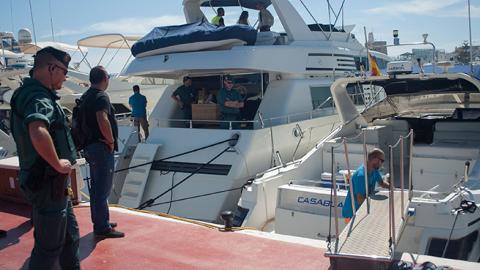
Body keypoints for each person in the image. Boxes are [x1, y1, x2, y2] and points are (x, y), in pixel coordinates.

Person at [10, 47, 80, 269]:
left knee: (70, 237)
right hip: (48, 183)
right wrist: (58, 164)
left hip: (52, 184)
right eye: (64, 71)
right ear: (51, 68)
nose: (66, 76)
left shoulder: (33, 93)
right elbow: (38, 130)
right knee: (48, 249)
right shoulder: (38, 96)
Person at [82, 66, 124, 238]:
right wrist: (111, 140)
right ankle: (102, 227)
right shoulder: (101, 96)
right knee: (103, 187)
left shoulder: (87, 96)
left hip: (90, 147)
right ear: (105, 79)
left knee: (97, 187)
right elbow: (102, 118)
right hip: (101, 147)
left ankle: (101, 220)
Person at [342, 148, 390, 222]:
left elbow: (382, 183)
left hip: (362, 209)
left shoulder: (374, 170)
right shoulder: (361, 176)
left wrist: (393, 188)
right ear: (375, 159)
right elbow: (360, 200)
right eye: (382, 161)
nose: (382, 164)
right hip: (352, 214)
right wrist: (377, 206)